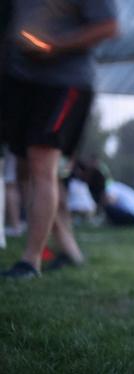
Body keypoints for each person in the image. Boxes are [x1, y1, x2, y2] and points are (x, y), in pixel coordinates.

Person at [0, 0, 118, 278]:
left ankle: (31, 262)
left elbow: (109, 26)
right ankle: (68, 247)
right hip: (18, 81)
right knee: (24, 170)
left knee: (42, 165)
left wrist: (55, 45)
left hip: (62, 83)